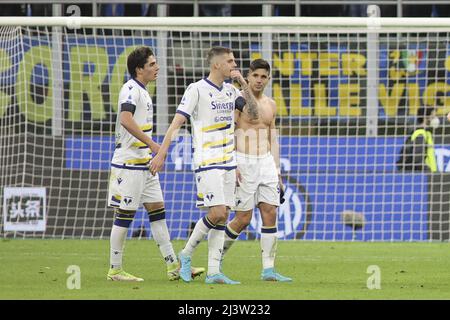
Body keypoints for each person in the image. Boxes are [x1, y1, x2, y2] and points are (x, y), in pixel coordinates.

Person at [150, 46, 259, 284]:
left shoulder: (231, 91)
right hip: (207, 160)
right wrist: (162, 153)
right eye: (230, 61)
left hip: (229, 161)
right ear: (216, 65)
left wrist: (242, 83)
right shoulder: (196, 90)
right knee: (217, 212)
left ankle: (213, 271)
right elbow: (177, 122)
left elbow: (254, 114)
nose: (234, 64)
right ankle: (186, 254)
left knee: (224, 215)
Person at [106, 46, 204, 282]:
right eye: (151, 64)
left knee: (158, 212)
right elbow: (125, 119)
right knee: (125, 215)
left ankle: (173, 267)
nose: (156, 67)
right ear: (139, 69)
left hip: (144, 165)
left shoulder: (144, 92)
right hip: (129, 163)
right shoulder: (130, 89)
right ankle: (115, 269)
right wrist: (152, 144)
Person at [221, 59, 292, 282]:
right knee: (242, 218)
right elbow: (228, 132)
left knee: (270, 211)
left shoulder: (271, 104)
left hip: (266, 163)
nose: (259, 80)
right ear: (248, 76)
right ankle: (216, 259)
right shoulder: (238, 101)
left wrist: (277, 170)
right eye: (256, 76)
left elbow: (273, 138)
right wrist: (231, 162)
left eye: (264, 77)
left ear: (268, 79)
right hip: (243, 161)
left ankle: (268, 269)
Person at [396, 106, 438, 173]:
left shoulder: (426, 133)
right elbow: (417, 158)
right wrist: (427, 170)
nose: (436, 119)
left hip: (428, 174)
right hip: (422, 175)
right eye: (433, 116)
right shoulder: (420, 133)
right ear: (425, 117)